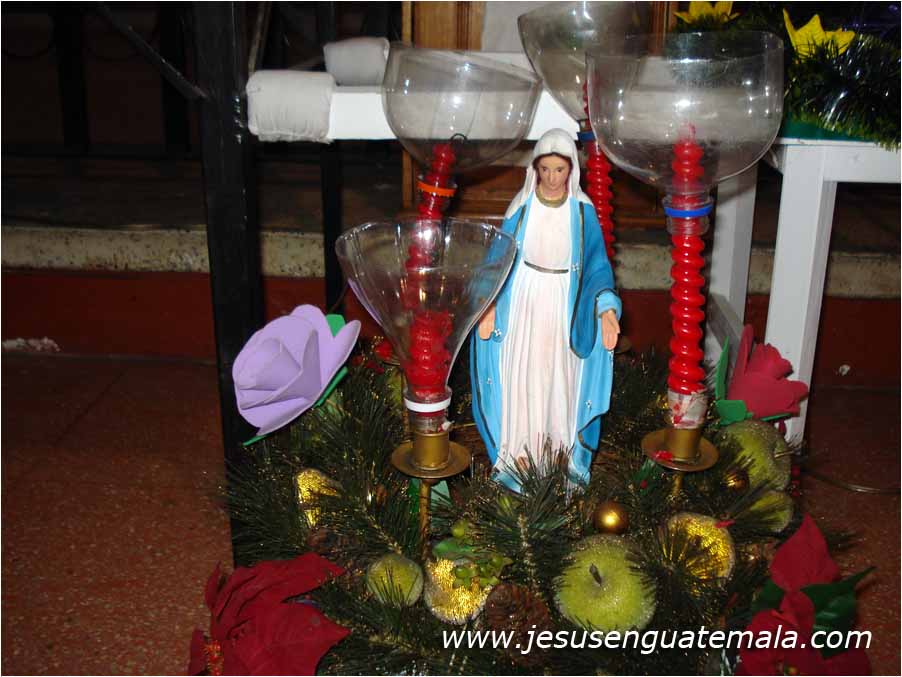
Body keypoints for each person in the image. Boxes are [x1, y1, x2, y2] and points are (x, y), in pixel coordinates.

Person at [470, 128, 621, 492]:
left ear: (572, 170)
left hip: (565, 306)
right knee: (522, 376)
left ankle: (559, 454)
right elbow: (497, 260)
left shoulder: (582, 213)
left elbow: (597, 267)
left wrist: (605, 309)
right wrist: (488, 306)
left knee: (559, 379)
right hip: (523, 302)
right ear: (535, 169)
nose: (553, 178)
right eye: (546, 169)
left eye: (560, 170)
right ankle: (518, 453)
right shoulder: (521, 209)